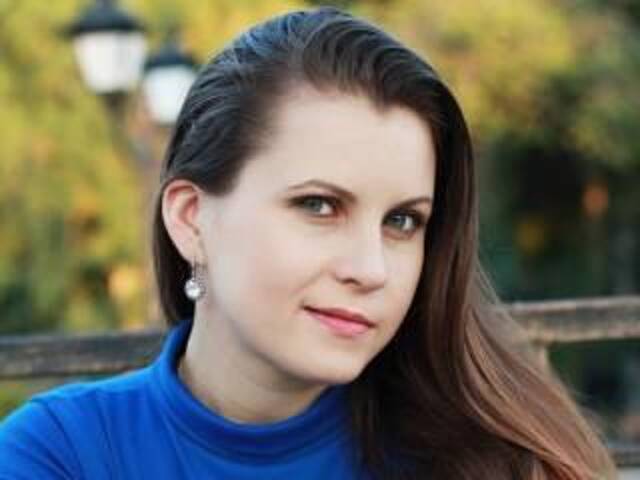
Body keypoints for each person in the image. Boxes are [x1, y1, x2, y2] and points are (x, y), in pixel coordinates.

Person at [0, 6, 617, 480]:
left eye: (403, 221)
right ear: (191, 219)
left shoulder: (496, 461)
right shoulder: (62, 452)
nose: (371, 269)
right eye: (319, 206)